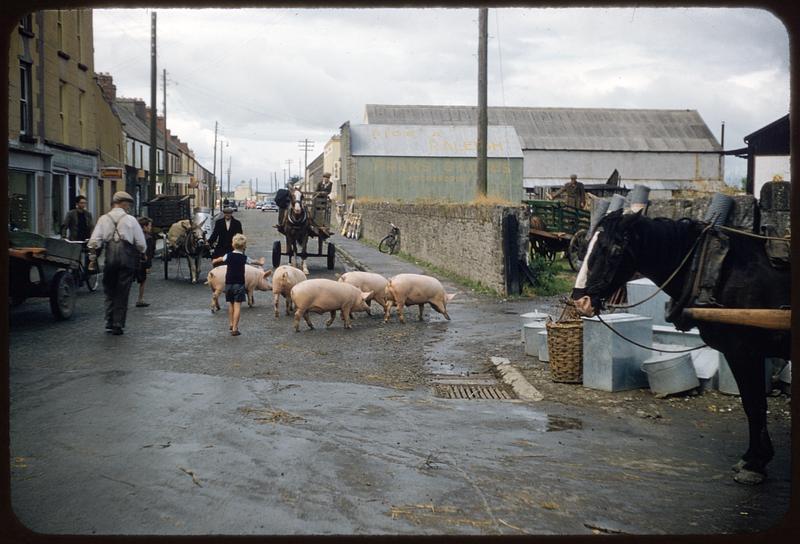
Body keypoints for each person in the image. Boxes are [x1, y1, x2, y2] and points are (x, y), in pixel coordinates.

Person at [87, 191, 146, 335]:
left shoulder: (103, 219)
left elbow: (94, 242)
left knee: (109, 289)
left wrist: (93, 257)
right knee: (122, 291)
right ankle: (118, 324)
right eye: (128, 205)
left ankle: (109, 321)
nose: (128, 207)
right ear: (124, 204)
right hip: (126, 258)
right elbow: (141, 243)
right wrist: (142, 252)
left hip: (110, 257)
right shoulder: (131, 220)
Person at [211, 233, 264, 336]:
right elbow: (253, 262)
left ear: (233, 244)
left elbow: (220, 259)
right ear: (244, 246)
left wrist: (215, 260)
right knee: (237, 306)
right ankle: (235, 328)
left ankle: (231, 323)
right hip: (239, 284)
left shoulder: (228, 255)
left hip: (229, 283)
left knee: (230, 304)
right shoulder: (244, 257)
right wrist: (261, 262)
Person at [135, 217, 156, 308]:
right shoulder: (149, 238)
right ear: (144, 227)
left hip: (132, 261)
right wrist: (148, 266)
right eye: (149, 226)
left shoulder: (134, 236)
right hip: (142, 262)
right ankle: (140, 299)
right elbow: (149, 253)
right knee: (143, 281)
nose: (150, 228)